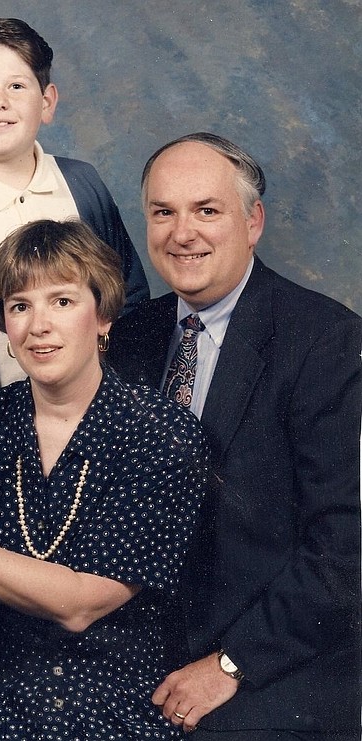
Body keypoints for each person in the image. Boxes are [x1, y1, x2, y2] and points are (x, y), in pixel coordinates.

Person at [0, 219, 207, 739]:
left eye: (61, 301)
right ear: (5, 328)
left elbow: (79, 604)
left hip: (113, 708)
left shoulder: (161, 433)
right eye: (19, 306)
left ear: (102, 316)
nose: (39, 326)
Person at [107, 132, 362, 739]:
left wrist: (231, 665)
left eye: (207, 211)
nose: (182, 233)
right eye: (163, 212)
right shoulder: (133, 336)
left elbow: (345, 552)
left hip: (271, 665)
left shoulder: (327, 341)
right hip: (144, 654)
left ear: (253, 222)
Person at [0, 18, 149, 385]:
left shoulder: (82, 184)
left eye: (17, 86)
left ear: (47, 102)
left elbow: (129, 300)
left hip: (90, 411)